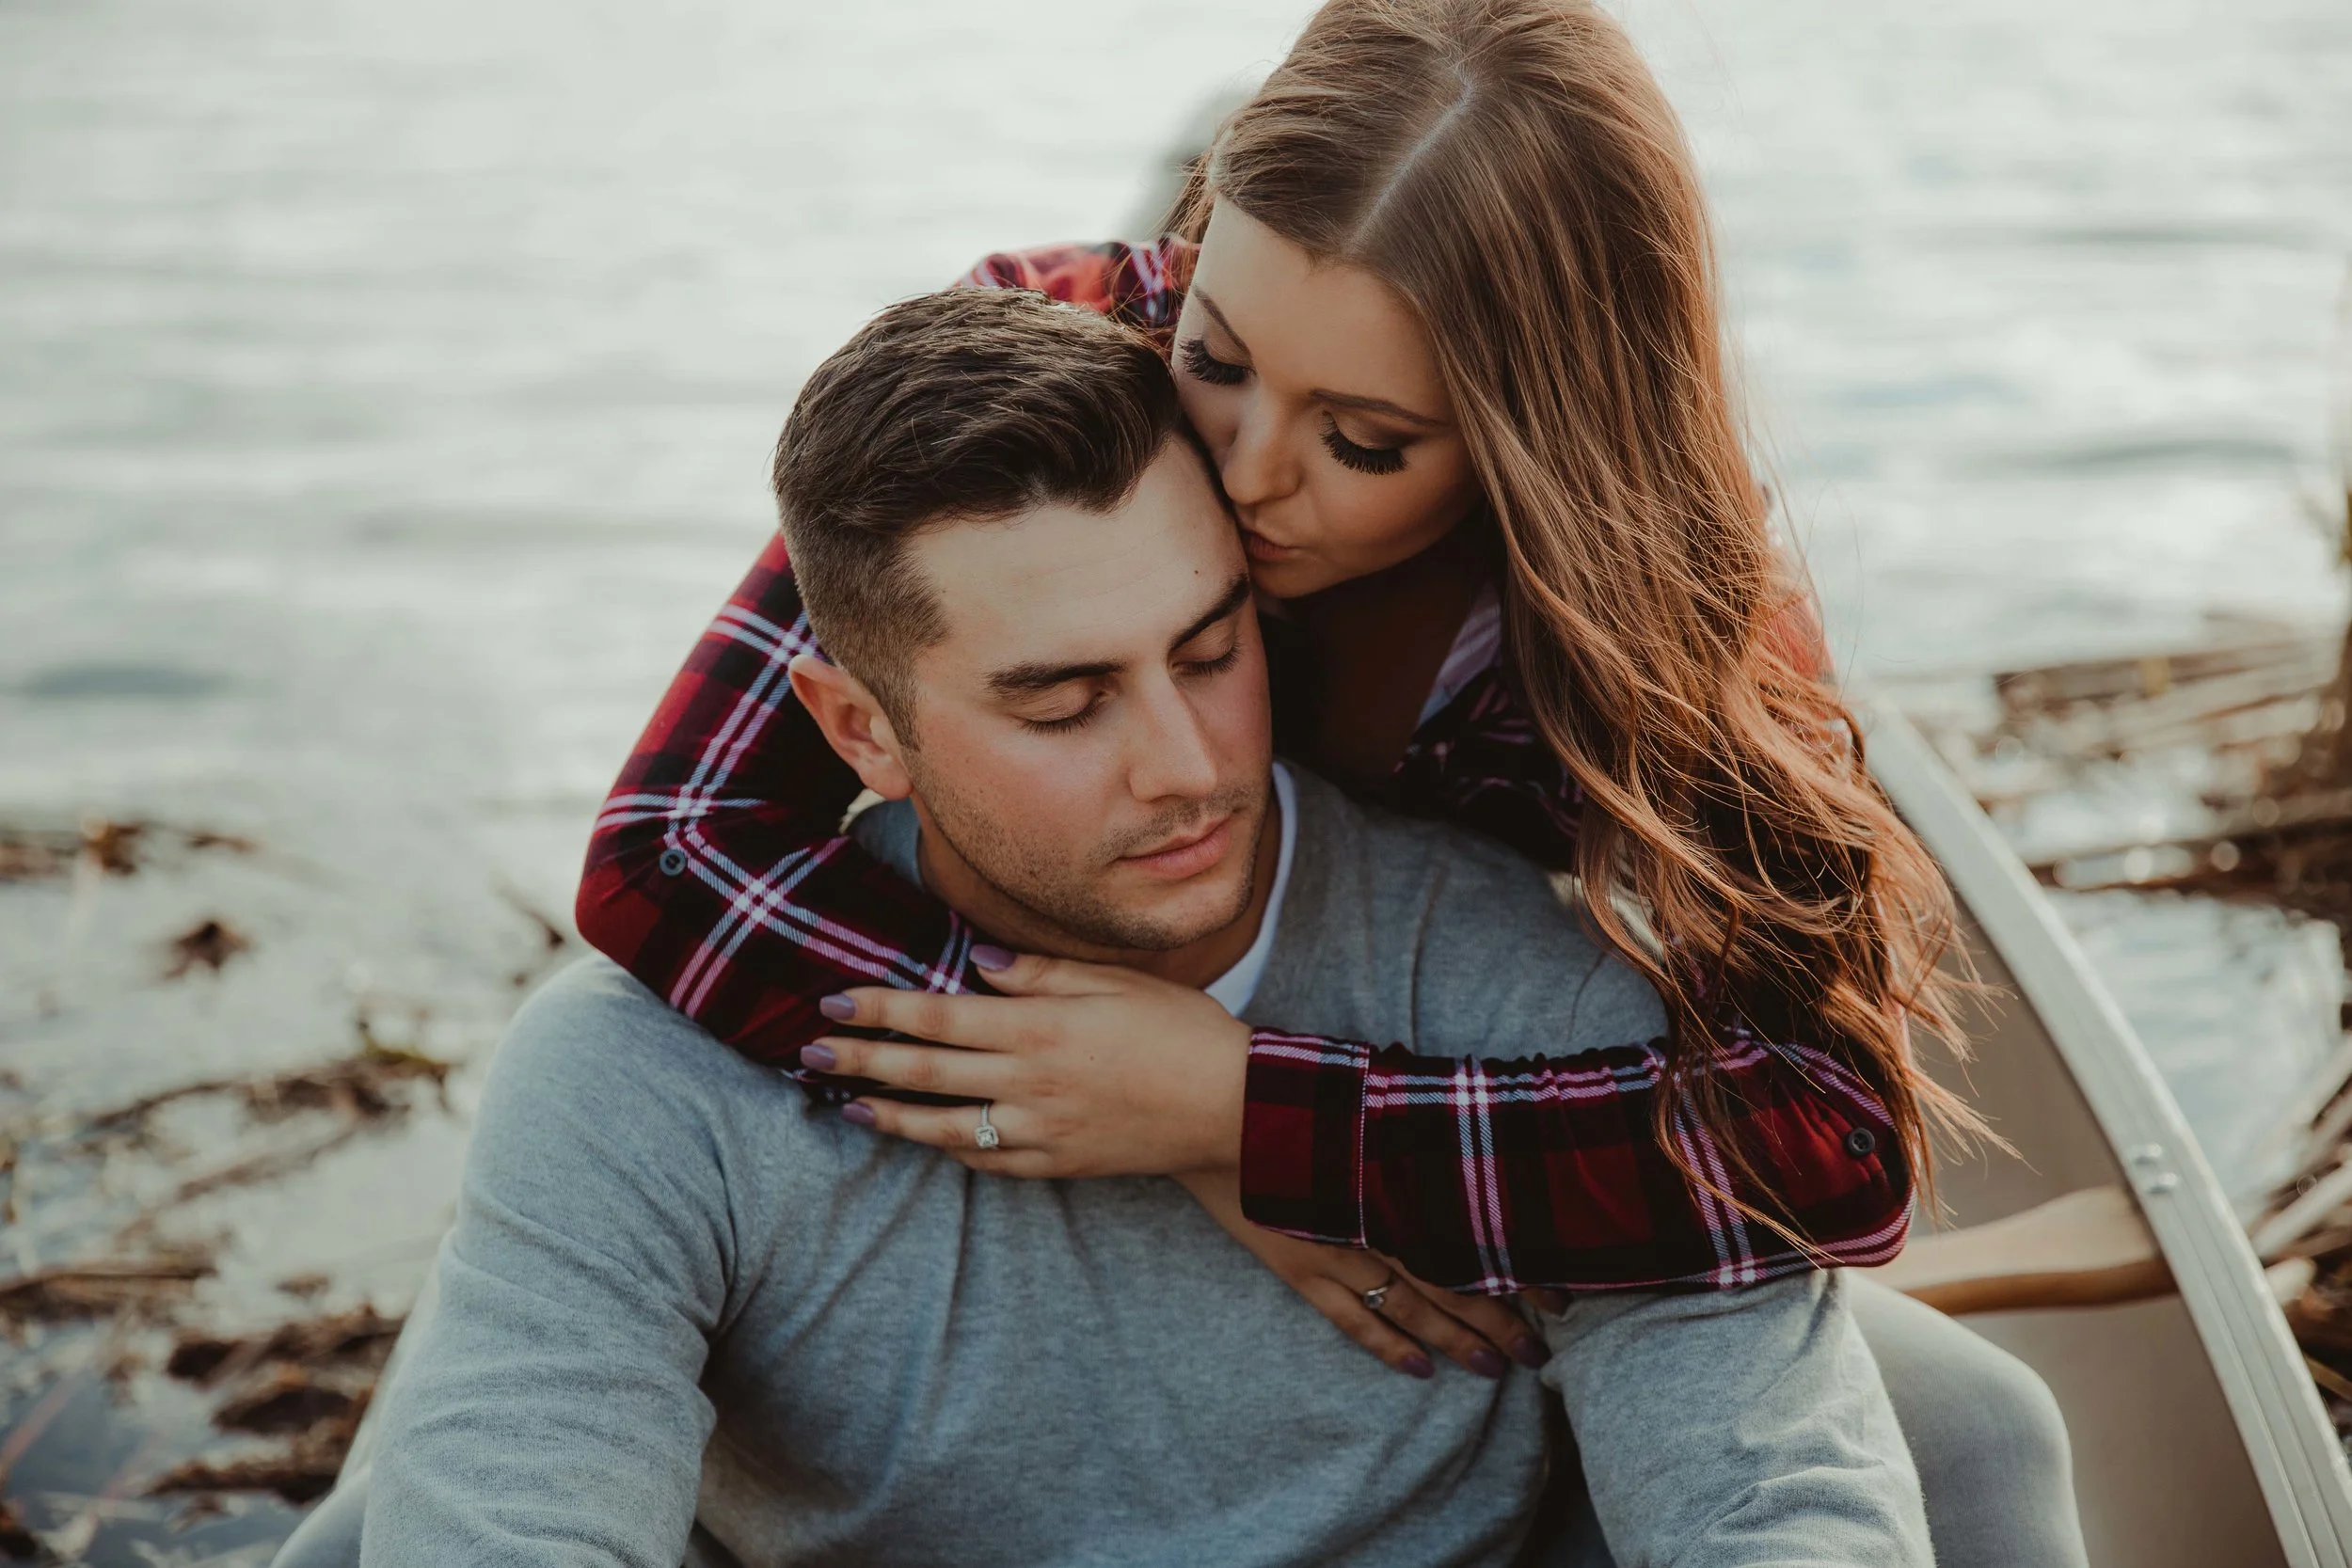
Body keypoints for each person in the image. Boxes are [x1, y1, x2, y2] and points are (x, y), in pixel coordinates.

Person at [305, 290, 1938, 1568]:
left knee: (1972, 1439)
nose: (1187, 765)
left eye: (1213, 648)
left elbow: (1776, 1498)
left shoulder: (1535, 993)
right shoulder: (641, 1077)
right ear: (859, 729)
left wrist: (1256, 1112)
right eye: (1065, 702)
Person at [575, 0, 1967, 1312]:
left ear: (1535, 444)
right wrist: (1157, 1124)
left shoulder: (1671, 629)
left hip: (1415, 1023)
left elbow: (1831, 1144)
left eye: (1361, 442)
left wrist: (1254, 1119)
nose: (1240, 476)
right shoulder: (1063, 357)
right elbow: (666, 849)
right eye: (1218, 357)